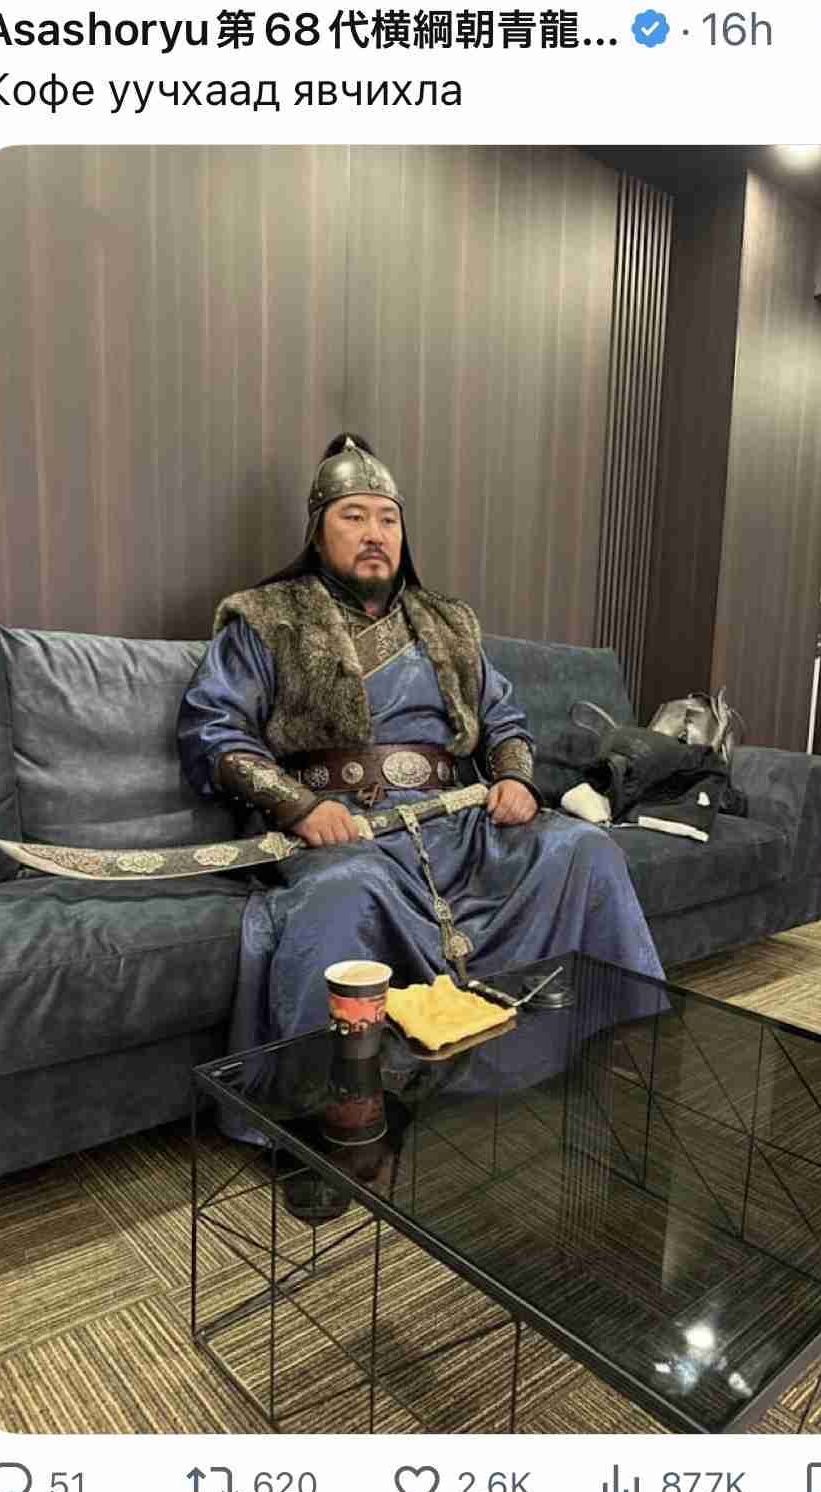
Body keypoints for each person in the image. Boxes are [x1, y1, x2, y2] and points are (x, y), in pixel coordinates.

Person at [178, 435, 662, 1215]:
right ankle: (332, 1125)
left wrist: (514, 778)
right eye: (353, 516)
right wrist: (300, 806)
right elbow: (213, 730)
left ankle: (608, 1046)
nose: (374, 533)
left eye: (387, 518)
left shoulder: (448, 622)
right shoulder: (264, 619)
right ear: (317, 531)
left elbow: (504, 720)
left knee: (581, 849)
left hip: (458, 822)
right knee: (342, 896)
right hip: (344, 829)